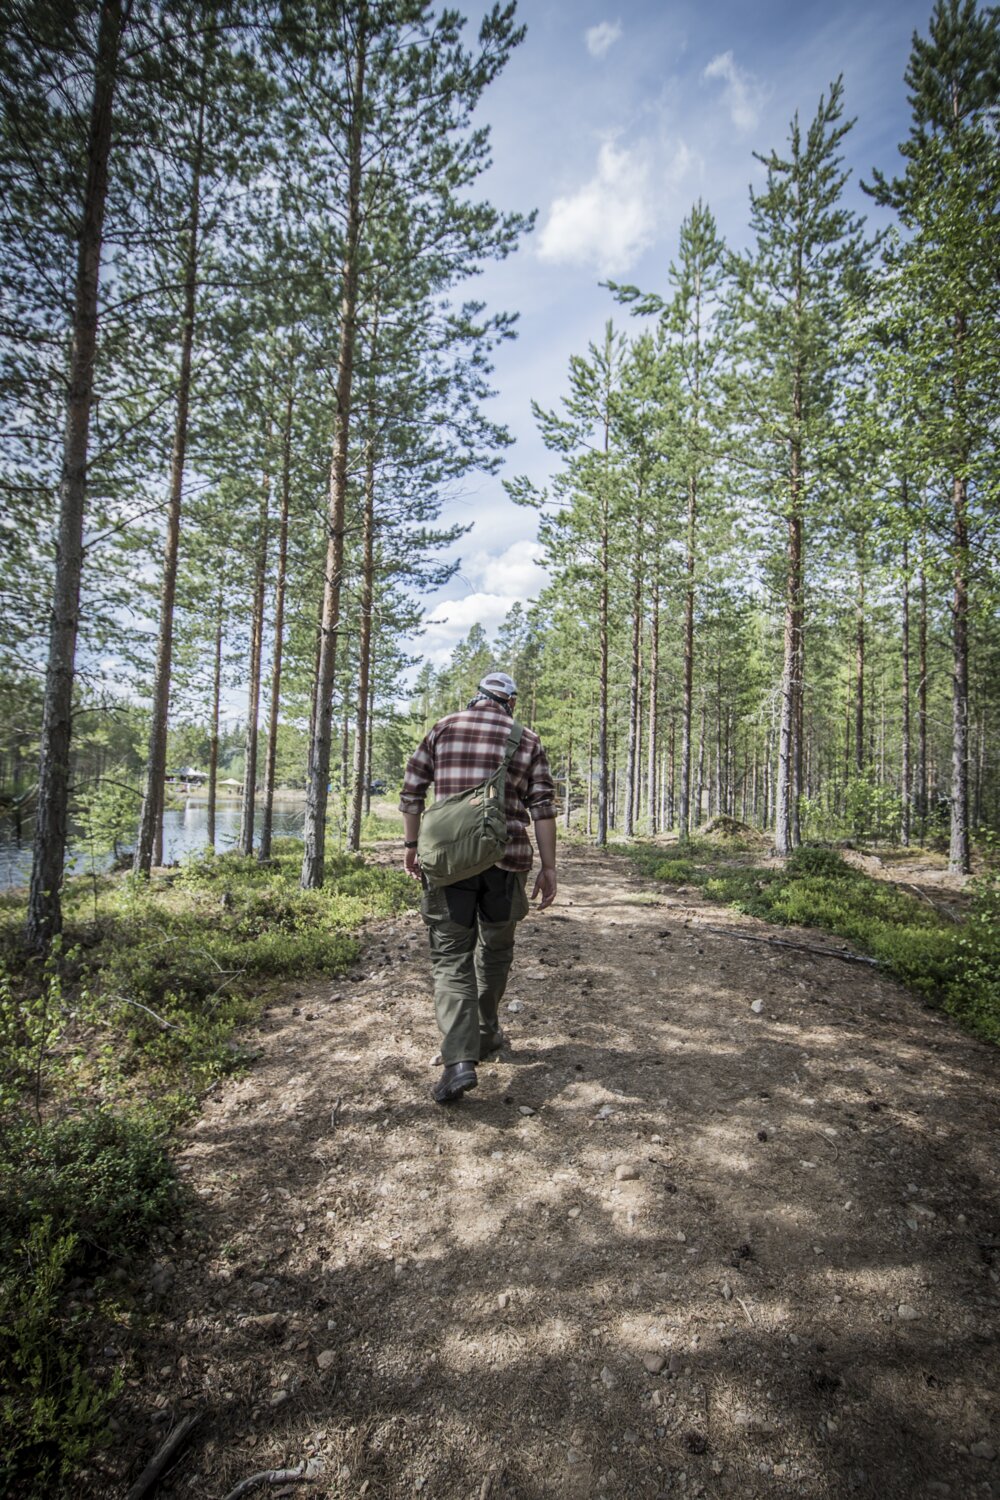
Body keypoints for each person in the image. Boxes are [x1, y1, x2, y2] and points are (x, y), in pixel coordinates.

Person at [399, 671, 558, 1103]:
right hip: (506, 862)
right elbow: (542, 808)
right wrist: (549, 867)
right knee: (496, 948)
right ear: (509, 702)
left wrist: (412, 846)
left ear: (477, 698)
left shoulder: (443, 728)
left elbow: (412, 793)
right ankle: (486, 1034)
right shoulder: (527, 738)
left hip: (449, 863)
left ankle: (459, 1061)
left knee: (451, 956)